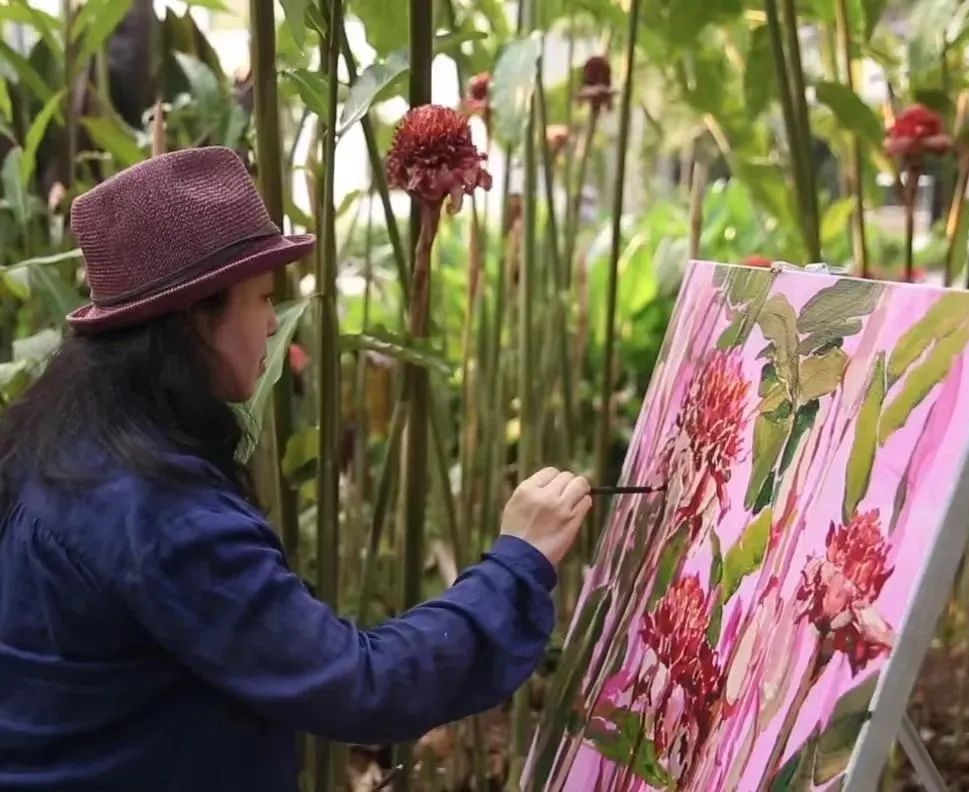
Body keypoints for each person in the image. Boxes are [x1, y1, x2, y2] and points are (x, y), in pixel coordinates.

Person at [0, 147, 591, 790]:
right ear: (197, 319)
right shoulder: (157, 510)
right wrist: (517, 563)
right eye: (261, 299)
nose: (273, 323)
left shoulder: (61, 446)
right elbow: (360, 686)